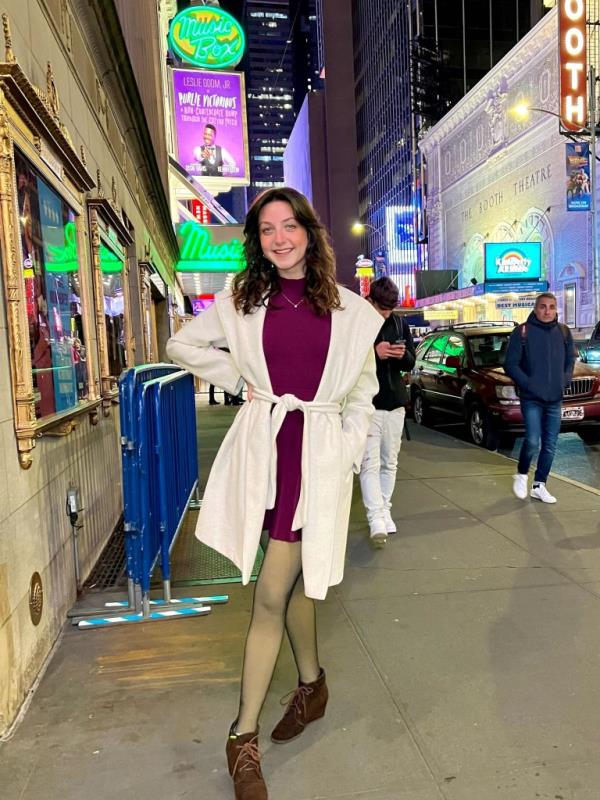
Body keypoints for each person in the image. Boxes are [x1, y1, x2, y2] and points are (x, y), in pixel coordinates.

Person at [166, 187, 381, 800]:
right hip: (265, 455)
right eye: (266, 230)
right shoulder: (241, 300)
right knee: (297, 581)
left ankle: (241, 736)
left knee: (270, 594)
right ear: (256, 241)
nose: (280, 238)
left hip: (316, 460)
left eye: (290, 226)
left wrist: (348, 447)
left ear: (310, 233)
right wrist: (242, 383)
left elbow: (362, 394)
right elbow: (181, 343)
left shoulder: (350, 311)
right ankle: (311, 686)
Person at [359, 277, 416, 548]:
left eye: (390, 309)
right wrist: (373, 352)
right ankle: (375, 518)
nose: (386, 314)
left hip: (395, 403)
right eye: (382, 308)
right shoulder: (358, 319)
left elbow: (411, 361)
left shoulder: (399, 322)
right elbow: (345, 360)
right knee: (369, 464)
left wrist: (400, 354)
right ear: (371, 300)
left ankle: (384, 510)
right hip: (367, 403)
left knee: (389, 462)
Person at [504, 292, 575, 504]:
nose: (547, 311)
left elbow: (570, 359)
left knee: (551, 444)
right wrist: (529, 384)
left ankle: (539, 485)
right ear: (536, 309)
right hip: (531, 398)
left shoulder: (563, 332)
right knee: (533, 441)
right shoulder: (522, 332)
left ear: (556, 310)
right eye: (543, 306)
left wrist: (564, 379)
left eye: (551, 307)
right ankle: (522, 473)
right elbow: (510, 364)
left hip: (555, 398)